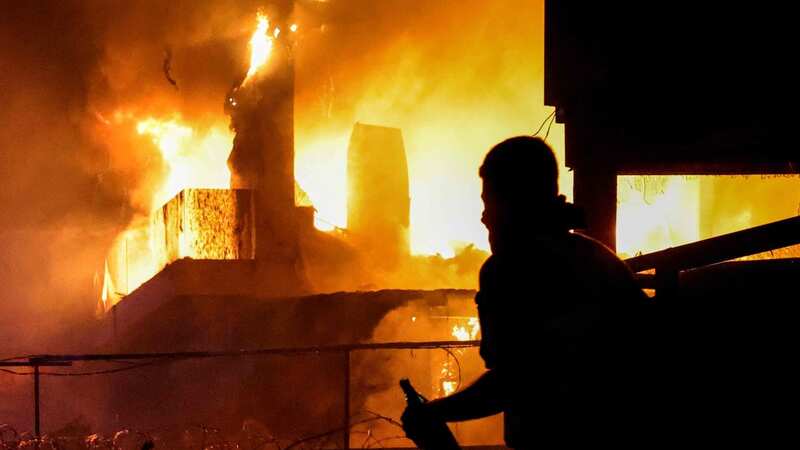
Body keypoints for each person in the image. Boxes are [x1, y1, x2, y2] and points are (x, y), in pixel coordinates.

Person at [402, 136, 654, 448]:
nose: (484, 217)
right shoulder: (597, 259)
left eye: (489, 203)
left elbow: (516, 381)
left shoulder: (511, 269)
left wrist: (432, 413)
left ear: (514, 204)